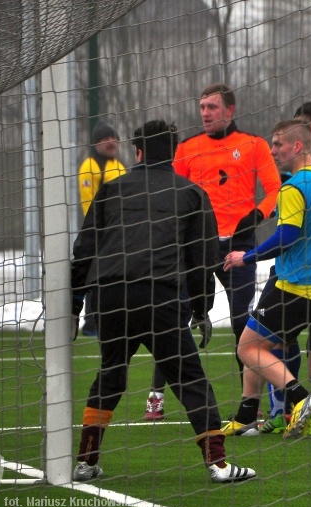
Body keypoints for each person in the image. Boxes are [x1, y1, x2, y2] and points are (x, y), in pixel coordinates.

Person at [70, 119, 255, 483]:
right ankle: (218, 464)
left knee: (110, 376)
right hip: (160, 296)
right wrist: (201, 309)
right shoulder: (191, 193)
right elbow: (201, 259)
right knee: (190, 380)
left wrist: (74, 305)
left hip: (110, 297)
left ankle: (86, 462)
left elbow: (84, 250)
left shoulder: (111, 190)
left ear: (138, 152)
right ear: (173, 153)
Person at [143, 83, 281, 421]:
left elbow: (275, 189)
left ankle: (250, 407)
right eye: (202, 107)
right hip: (196, 248)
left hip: (239, 248)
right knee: (173, 318)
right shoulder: (188, 148)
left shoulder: (253, 145)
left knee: (242, 325)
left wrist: (257, 215)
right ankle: (155, 396)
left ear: (230, 110)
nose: (205, 113)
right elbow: (171, 192)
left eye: (212, 107)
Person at [222, 119, 311, 439]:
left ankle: (301, 398)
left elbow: (286, 237)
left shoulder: (293, 188)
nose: (273, 150)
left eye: (278, 144)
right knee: (263, 340)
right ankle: (246, 415)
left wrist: (246, 256)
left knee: (247, 347)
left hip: (295, 286)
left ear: (297, 146)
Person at [77, 121, 126, 337]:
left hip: (118, 232)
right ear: (96, 143)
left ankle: (111, 320)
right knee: (95, 276)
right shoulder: (89, 166)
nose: (111, 142)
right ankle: (91, 323)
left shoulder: (119, 166)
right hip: (99, 233)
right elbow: (88, 203)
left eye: (113, 138)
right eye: (106, 139)